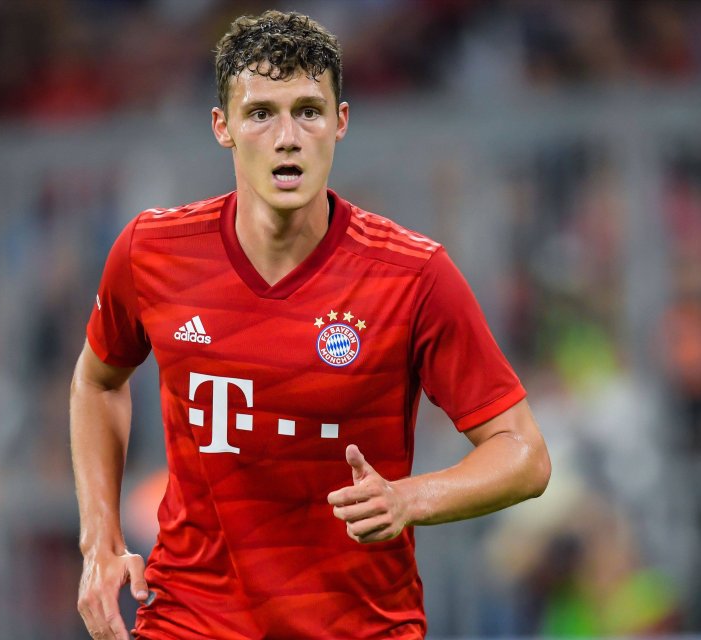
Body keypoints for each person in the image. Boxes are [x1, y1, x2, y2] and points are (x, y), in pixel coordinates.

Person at [70, 10, 550, 640]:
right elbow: (98, 382)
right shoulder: (153, 252)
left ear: (340, 123)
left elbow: (525, 455)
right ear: (224, 128)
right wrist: (99, 544)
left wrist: (410, 499)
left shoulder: (411, 275)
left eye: (309, 110)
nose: (287, 136)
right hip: (193, 620)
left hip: (359, 627)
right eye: (261, 113)